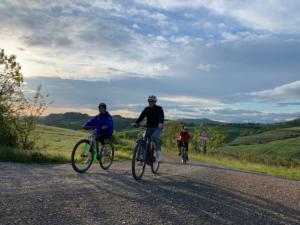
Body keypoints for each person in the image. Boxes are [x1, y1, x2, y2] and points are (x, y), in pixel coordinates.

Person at [132, 95, 164, 162]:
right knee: (143, 140)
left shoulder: (159, 108)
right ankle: (141, 156)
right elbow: (141, 117)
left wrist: (160, 123)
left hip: (157, 127)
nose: (151, 103)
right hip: (149, 127)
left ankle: (158, 153)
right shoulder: (146, 109)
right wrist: (136, 123)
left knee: (154, 137)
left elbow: (161, 116)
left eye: (152, 101)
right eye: (149, 101)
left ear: (155, 102)